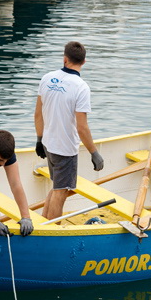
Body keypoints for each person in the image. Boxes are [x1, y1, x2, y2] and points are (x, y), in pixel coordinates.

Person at [34, 41, 104, 220]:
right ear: (84, 62)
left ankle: (44, 224)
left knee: (57, 187)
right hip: (65, 148)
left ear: (65, 59)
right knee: (61, 191)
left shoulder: (47, 78)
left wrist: (39, 140)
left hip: (48, 143)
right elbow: (82, 127)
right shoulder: (81, 87)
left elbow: (38, 115)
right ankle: (52, 233)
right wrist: (94, 153)